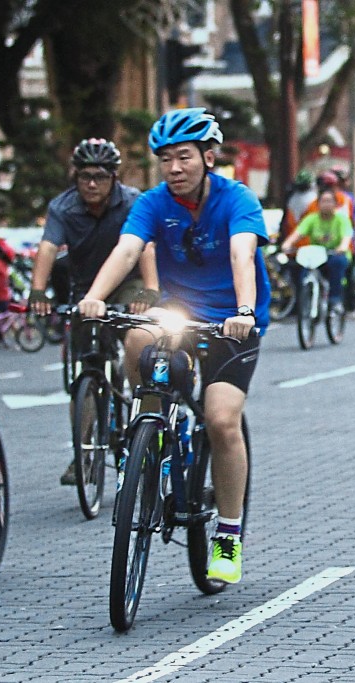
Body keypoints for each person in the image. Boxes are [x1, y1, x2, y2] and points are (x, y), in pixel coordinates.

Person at [78, 108, 270, 586]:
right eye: (165, 160)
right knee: (138, 335)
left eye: (184, 157)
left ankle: (227, 534)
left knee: (222, 420)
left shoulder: (237, 199)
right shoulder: (152, 203)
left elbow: (240, 253)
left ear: (208, 157)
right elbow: (126, 250)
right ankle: (146, 429)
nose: (174, 169)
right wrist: (95, 297)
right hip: (177, 314)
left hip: (232, 323)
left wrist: (243, 312)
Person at [27, 138, 159, 486]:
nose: (91, 184)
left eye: (100, 176)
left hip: (127, 284)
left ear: (114, 177)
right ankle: (82, 452)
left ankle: (140, 420)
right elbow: (47, 248)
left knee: (138, 339)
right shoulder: (63, 206)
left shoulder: (133, 202)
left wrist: (150, 289)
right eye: (84, 176)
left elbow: (145, 245)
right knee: (85, 371)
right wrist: (38, 291)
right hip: (86, 288)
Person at [280, 188, 352, 312]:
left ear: (335, 204)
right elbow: (297, 234)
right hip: (316, 256)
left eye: (329, 201)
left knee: (337, 263)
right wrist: (287, 244)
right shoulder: (311, 219)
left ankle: (335, 300)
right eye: (323, 201)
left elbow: (346, 238)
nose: (326, 204)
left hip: (334, 255)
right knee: (302, 269)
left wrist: (342, 247)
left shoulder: (341, 219)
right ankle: (303, 300)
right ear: (318, 204)